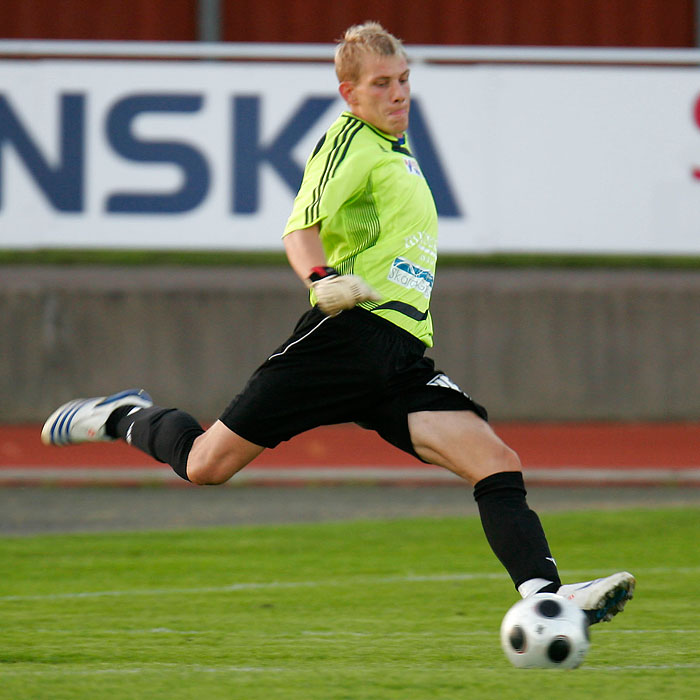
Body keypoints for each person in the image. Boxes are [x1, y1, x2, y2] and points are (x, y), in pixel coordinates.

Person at [41, 22, 634, 625]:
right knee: (205, 465)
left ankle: (547, 599)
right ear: (349, 94)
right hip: (348, 339)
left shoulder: (398, 153)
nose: (398, 93)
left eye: (404, 80)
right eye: (381, 84)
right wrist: (321, 277)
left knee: (496, 461)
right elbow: (299, 228)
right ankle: (123, 414)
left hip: (401, 355)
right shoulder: (349, 144)